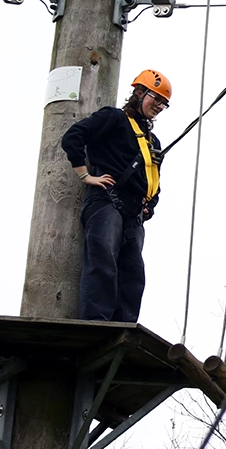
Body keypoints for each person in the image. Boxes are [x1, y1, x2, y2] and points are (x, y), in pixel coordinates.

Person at [61, 69, 170, 324]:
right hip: (106, 200)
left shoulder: (152, 141)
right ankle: (97, 325)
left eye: (164, 103)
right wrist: (85, 175)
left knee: (133, 274)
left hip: (133, 212)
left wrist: (149, 206)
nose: (160, 106)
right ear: (140, 92)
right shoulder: (115, 118)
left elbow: (154, 180)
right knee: (103, 263)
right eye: (156, 98)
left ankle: (123, 329)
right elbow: (73, 137)